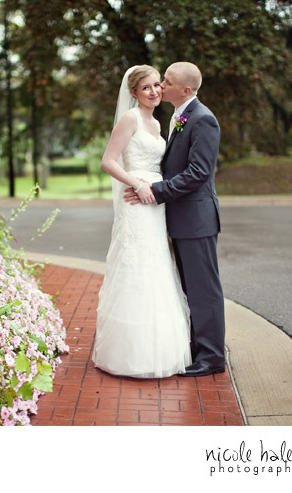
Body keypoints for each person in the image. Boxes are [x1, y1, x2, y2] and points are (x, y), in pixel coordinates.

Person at [124, 61, 226, 377]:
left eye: (165, 81)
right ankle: (200, 347)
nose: (160, 86)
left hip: (196, 219)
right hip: (182, 219)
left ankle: (211, 358)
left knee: (203, 288)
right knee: (190, 287)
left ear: (184, 89)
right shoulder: (179, 117)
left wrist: (156, 190)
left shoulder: (202, 120)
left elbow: (198, 172)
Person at [92, 64, 192, 378]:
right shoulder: (130, 118)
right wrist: (136, 184)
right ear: (133, 92)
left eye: (156, 85)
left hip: (155, 202)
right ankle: (128, 352)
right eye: (146, 87)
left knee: (157, 264)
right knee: (134, 266)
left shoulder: (157, 123)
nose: (154, 92)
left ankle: (160, 349)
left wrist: (158, 190)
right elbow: (108, 161)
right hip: (135, 202)